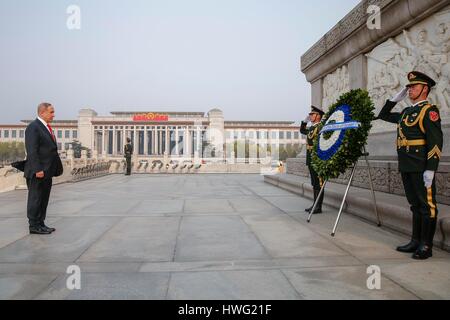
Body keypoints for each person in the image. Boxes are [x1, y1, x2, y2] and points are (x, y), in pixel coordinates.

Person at [378, 71, 443, 260]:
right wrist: (394, 99)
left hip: (421, 165)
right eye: (409, 87)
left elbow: (436, 142)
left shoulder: (429, 111)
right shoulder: (407, 112)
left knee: (427, 206)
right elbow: (383, 115)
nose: (410, 90)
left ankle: (426, 245)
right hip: (406, 165)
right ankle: (415, 241)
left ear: (425, 89)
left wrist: (431, 168)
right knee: (414, 205)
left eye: (414, 86)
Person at [24, 103, 63, 235]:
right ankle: (33, 225)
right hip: (38, 171)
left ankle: (41, 223)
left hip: (47, 171)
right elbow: (32, 151)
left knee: (43, 198)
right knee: (35, 198)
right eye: (51, 112)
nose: (53, 115)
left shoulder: (45, 127)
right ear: (42, 113)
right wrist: (37, 169)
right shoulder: (33, 127)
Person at [300, 105, 325, 214]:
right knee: (314, 183)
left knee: (319, 183)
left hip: (317, 159)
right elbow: (302, 131)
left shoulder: (320, 127)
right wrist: (304, 122)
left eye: (312, 114)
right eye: (310, 114)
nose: (310, 116)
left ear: (318, 116)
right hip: (311, 159)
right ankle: (315, 205)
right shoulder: (312, 127)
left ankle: (318, 207)